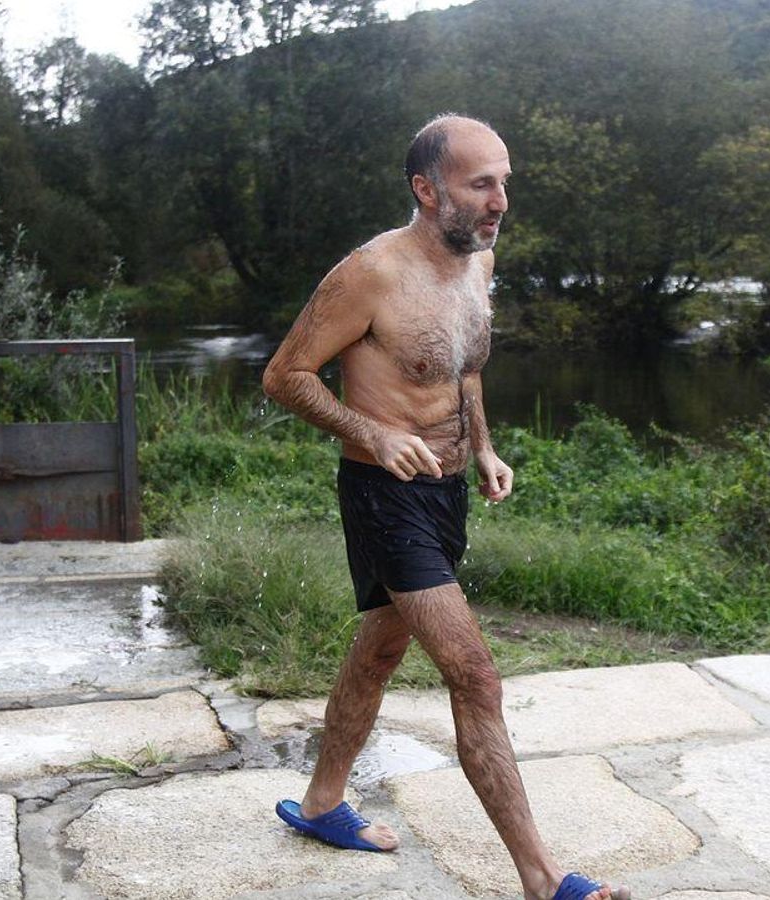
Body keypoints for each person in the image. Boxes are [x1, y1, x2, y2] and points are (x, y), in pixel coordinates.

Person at [261, 114, 631, 900]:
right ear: (426, 190)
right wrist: (370, 432)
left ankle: (323, 802)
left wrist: (485, 447)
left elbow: (461, 368)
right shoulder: (369, 274)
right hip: (384, 496)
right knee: (474, 674)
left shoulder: (477, 262)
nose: (500, 200)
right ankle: (542, 877)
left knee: (380, 651)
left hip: (447, 491)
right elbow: (285, 375)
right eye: (480, 184)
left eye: (504, 183)